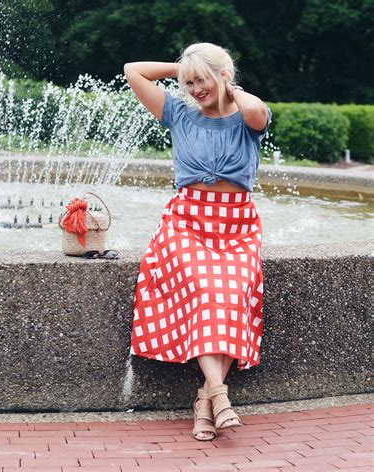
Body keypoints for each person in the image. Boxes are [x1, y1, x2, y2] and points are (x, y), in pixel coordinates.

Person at [124, 42, 271, 441]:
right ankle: (220, 396)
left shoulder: (247, 117)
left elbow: (257, 112)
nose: (193, 89)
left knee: (228, 292)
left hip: (237, 227)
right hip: (186, 223)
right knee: (208, 289)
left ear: (224, 75)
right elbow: (133, 69)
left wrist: (223, 80)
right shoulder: (178, 115)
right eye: (189, 83)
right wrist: (184, 68)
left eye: (200, 81)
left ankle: (204, 400)